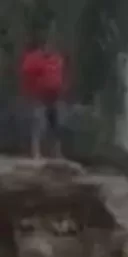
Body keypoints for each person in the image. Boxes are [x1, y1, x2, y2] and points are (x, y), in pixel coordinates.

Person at [20, 29, 65, 160]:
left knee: (56, 125)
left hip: (54, 97)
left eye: (52, 46)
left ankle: (57, 152)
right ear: (43, 46)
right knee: (39, 123)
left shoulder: (57, 59)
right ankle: (36, 152)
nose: (50, 48)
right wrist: (31, 89)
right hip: (40, 97)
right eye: (48, 46)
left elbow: (60, 76)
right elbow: (26, 72)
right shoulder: (35, 58)